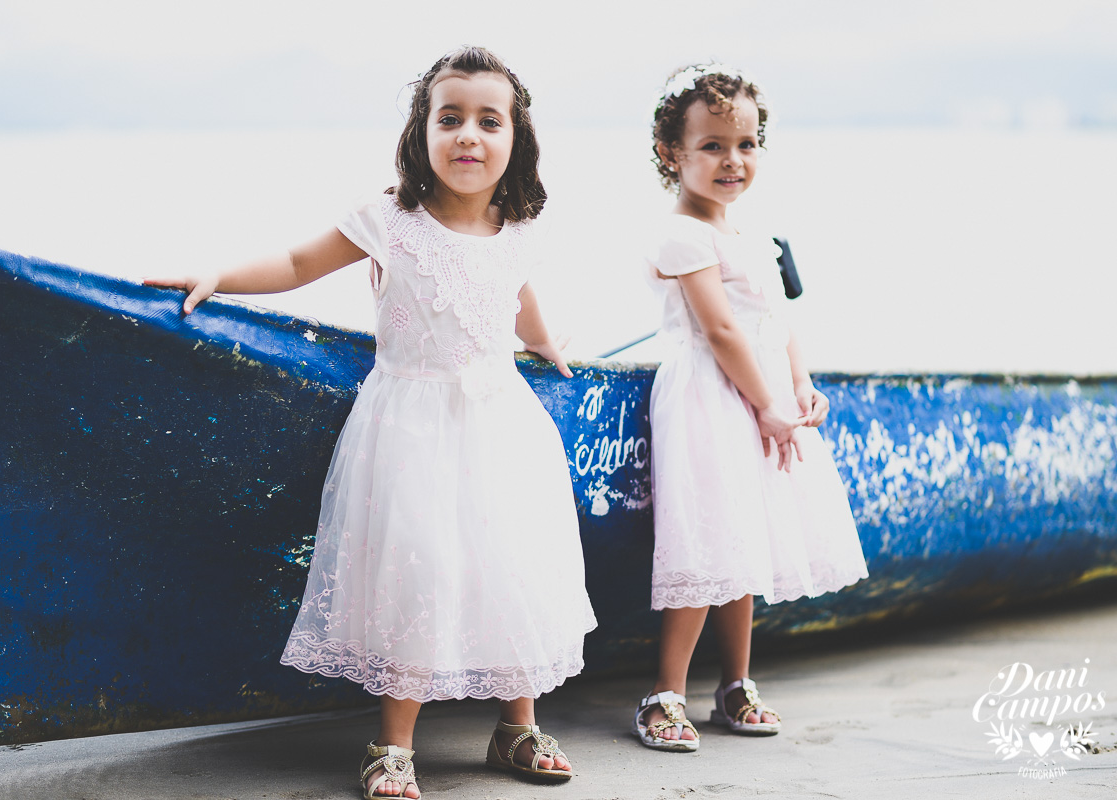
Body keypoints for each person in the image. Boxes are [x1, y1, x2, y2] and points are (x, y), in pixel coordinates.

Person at [146, 46, 596, 800]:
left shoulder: (518, 227)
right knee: (416, 570)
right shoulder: (392, 220)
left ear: (516, 139)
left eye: (489, 121)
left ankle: (516, 724)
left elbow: (521, 302)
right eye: (449, 118)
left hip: (504, 428)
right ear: (422, 130)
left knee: (514, 566)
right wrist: (219, 276)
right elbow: (295, 263)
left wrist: (549, 344)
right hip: (410, 428)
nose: (468, 136)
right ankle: (392, 745)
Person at [632, 63, 869, 752]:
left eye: (745, 143)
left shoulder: (755, 239)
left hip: (761, 399)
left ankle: (734, 683)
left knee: (742, 543)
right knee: (704, 542)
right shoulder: (679, 234)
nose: (732, 160)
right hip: (711, 399)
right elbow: (721, 331)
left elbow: (777, 323)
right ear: (670, 153)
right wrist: (766, 402)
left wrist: (799, 387)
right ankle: (663, 692)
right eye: (711, 146)